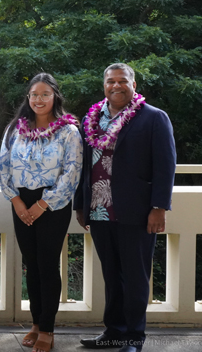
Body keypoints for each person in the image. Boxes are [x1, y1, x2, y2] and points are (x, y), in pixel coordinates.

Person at [74, 63, 176, 352]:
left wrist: (159, 207)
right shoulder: (92, 119)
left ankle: (133, 337)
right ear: (103, 85)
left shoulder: (154, 118)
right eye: (110, 81)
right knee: (112, 275)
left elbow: (165, 166)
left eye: (122, 81)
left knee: (135, 276)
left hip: (137, 211)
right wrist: (80, 205)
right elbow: (85, 167)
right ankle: (114, 332)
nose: (116, 86)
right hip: (99, 210)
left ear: (133, 84)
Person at [0, 73, 83, 352]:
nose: (39, 99)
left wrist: (42, 204)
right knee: (31, 264)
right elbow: (3, 165)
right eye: (34, 94)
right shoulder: (15, 129)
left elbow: (72, 172)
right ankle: (36, 322)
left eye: (45, 94)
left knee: (47, 265)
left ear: (55, 97)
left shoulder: (68, 131)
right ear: (28, 97)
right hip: (21, 202)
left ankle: (48, 328)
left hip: (53, 204)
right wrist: (16, 201)